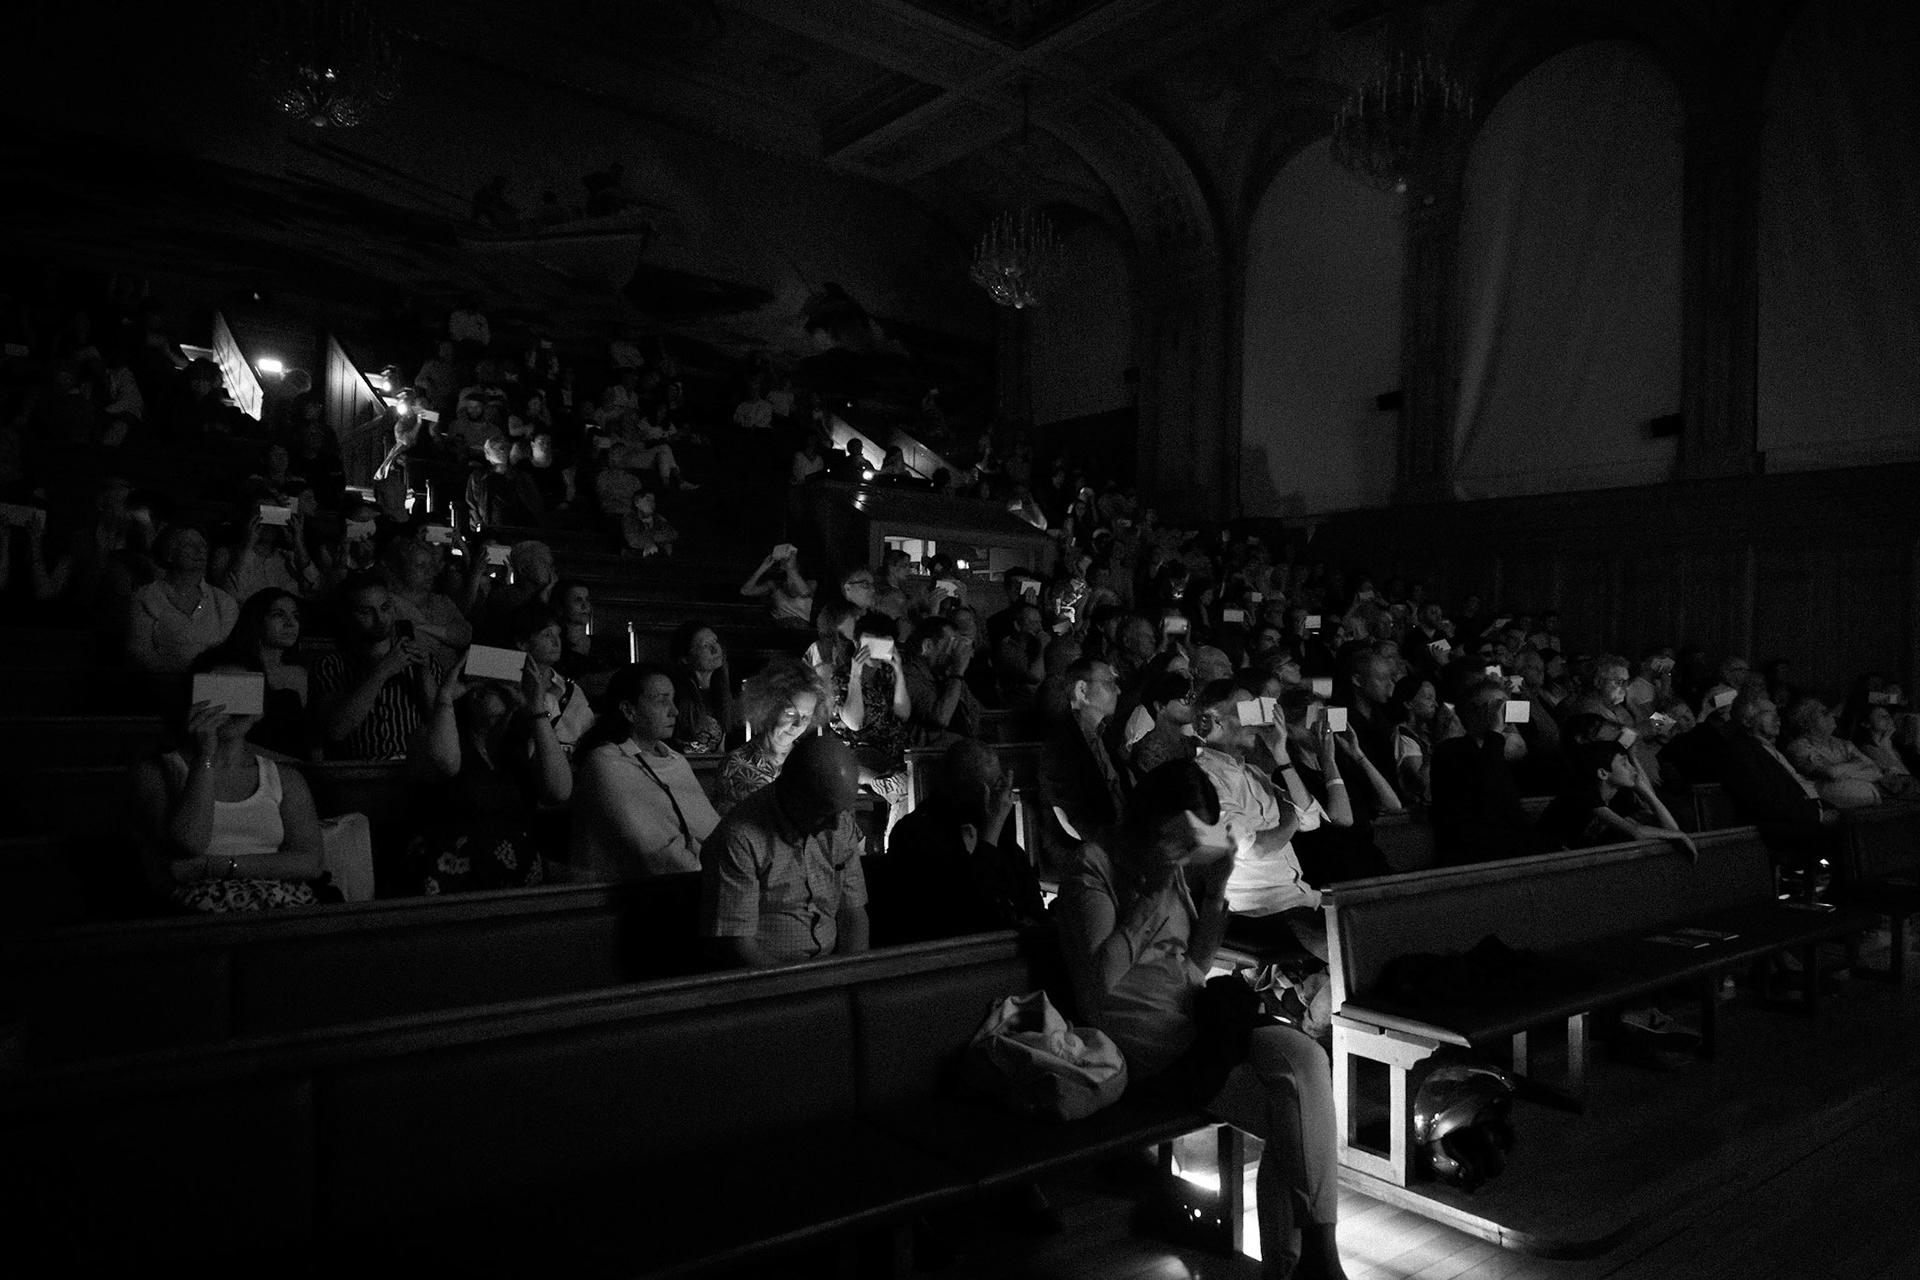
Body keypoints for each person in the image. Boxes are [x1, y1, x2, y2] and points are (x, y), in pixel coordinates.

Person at [1054, 761, 1345, 1280]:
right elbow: (1098, 987)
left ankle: (1309, 1262)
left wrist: (1215, 889)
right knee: (1292, 1111)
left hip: (1194, 1018)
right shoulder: (1091, 867)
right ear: (1149, 823)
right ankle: (1307, 1264)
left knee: (1307, 1056)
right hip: (1140, 1041)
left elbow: (1192, 966)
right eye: (1176, 841)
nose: (1182, 855)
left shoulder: (1170, 870)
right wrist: (1153, 896)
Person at [128, 658, 327, 912]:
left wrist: (215, 866)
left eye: (242, 691)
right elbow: (188, 844)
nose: (229, 707)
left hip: (281, 902)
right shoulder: (155, 772)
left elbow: (310, 862)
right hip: (195, 909)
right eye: (218, 691)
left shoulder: (285, 778)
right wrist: (204, 758)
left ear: (260, 707)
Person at [403, 655, 572, 894]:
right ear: (471, 695)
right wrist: (445, 699)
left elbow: (559, 791)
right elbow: (444, 763)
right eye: (492, 684)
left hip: (517, 878)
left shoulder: (521, 744)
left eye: (512, 681)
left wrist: (535, 709)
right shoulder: (432, 736)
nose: (507, 687)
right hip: (448, 879)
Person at [700, 733, 870, 969]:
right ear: (794, 794)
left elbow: (853, 914)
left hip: (830, 971)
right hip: (766, 982)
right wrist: (798, 988)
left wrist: (851, 976)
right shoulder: (740, 837)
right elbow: (738, 945)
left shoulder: (839, 820)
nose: (835, 825)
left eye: (842, 811)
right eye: (824, 813)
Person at [884, 739, 1047, 940]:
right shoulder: (915, 834)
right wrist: (990, 836)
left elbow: (1033, 906)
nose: (1002, 797)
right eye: (995, 787)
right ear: (977, 791)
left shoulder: (996, 830)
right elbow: (972, 915)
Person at [570, 664, 722, 879]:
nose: (674, 711)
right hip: (634, 898)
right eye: (662, 701)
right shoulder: (607, 762)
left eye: (673, 699)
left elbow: (712, 831)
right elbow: (658, 854)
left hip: (702, 878)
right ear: (629, 710)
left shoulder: (675, 760)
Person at [311, 576, 443, 761]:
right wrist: (384, 669)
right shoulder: (331, 665)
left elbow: (440, 725)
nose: (380, 618)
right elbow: (336, 730)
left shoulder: (422, 658)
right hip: (359, 771)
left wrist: (424, 673)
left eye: (385, 608)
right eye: (366, 611)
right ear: (347, 615)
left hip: (413, 769)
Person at [1430, 679, 1538, 866]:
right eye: (1495, 705)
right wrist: (1495, 732)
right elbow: (1486, 788)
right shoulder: (1449, 751)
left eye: (1505, 703)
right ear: (1472, 712)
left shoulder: (1504, 749)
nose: (1501, 711)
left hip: (1512, 852)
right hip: (1472, 857)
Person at [1038, 657, 1129, 871]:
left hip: (1114, 844)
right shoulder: (1060, 746)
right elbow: (1069, 821)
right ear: (1082, 691)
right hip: (1085, 855)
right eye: (1109, 683)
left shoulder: (1102, 739)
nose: (1118, 691)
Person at [1534, 740, 1698, 857]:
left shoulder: (1618, 796)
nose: (1632, 769)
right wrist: (1681, 836)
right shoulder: (1584, 793)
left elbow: (1670, 829)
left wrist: (1646, 792)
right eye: (1624, 764)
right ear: (1603, 773)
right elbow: (1636, 832)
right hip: (1543, 857)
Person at [203, 588, 313, 761]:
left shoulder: (299, 673)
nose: (291, 623)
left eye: (295, 616)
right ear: (256, 620)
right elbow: (220, 735)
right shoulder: (229, 668)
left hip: (293, 770)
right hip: (243, 765)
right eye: (278, 615)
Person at [713, 656, 827, 813]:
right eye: (790, 713)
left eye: (806, 717)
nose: (798, 724)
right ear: (767, 707)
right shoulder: (735, 766)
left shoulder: (811, 762)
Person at [126, 525, 239, 673]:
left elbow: (232, 653)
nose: (200, 550)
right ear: (169, 554)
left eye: (203, 545)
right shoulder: (147, 596)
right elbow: (140, 652)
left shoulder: (223, 601)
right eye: (189, 545)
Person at [1782, 696, 1910, 808]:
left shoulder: (1842, 743)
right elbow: (1831, 773)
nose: (1832, 716)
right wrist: (1858, 765)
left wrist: (1845, 772)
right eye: (1824, 713)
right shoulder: (1799, 747)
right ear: (1806, 723)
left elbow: (1873, 768)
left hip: (1866, 794)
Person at [510, 602, 596, 759]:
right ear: (522, 642)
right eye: (547, 635)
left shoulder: (570, 689)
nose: (557, 643)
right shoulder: (507, 686)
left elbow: (585, 740)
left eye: (558, 635)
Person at [383, 536, 473, 670]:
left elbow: (464, 635)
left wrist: (421, 627)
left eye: (430, 565)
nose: (429, 571)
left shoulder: (441, 601)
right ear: (401, 568)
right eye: (420, 565)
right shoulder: (387, 604)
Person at [902, 613, 983, 742]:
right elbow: (940, 719)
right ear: (928, 646)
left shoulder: (945, 675)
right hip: (925, 754)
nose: (953, 652)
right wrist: (957, 673)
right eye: (951, 645)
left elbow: (974, 712)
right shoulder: (908, 676)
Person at [668, 622, 732, 755]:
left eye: (715, 641)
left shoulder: (721, 691)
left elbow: (721, 748)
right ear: (685, 658)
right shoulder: (674, 693)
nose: (715, 649)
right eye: (706, 645)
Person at [740, 544, 816, 630]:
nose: (784, 561)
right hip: (779, 630)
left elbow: (803, 592)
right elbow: (745, 591)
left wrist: (791, 569)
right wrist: (763, 567)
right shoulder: (774, 585)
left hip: (800, 631)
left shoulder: (810, 583)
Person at [620, 489, 677, 558]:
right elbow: (633, 539)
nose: (652, 504)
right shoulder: (629, 519)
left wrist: (652, 540)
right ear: (637, 502)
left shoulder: (658, 519)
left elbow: (671, 534)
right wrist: (649, 543)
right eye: (648, 500)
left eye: (653, 501)